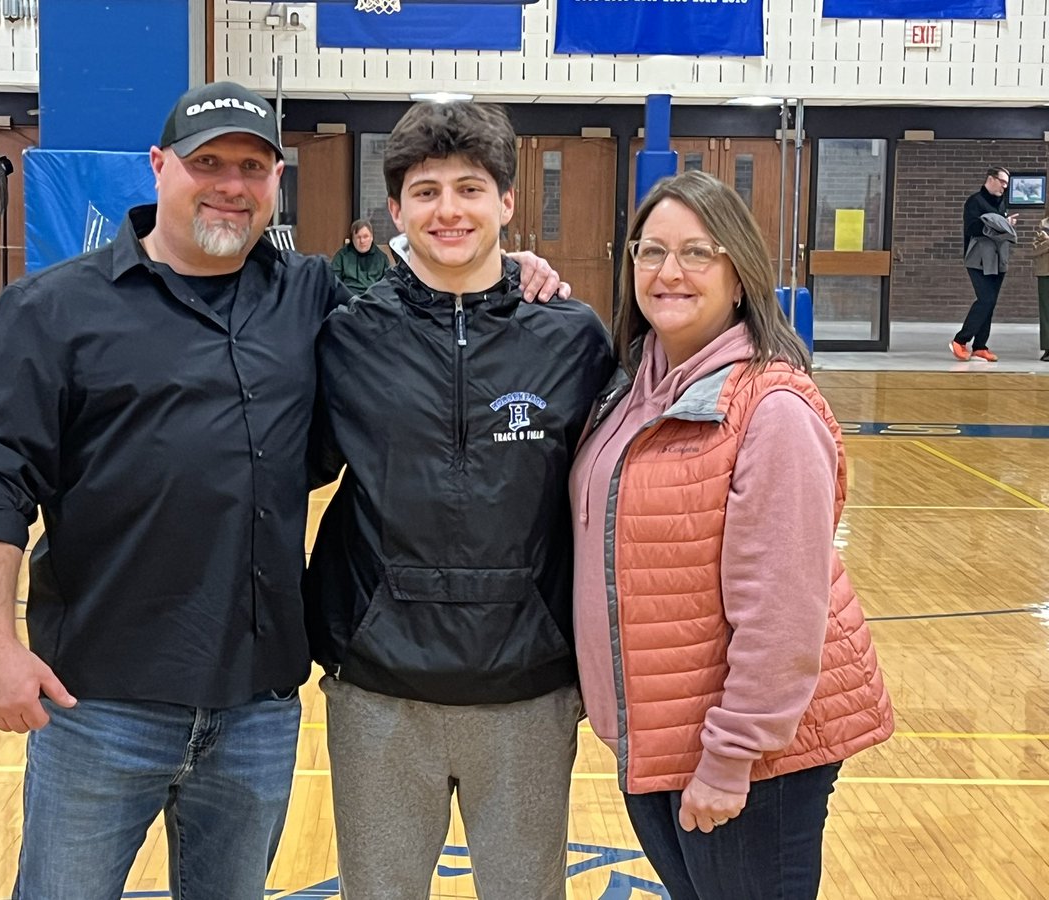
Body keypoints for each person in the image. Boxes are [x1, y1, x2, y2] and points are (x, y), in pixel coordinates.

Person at [0, 81, 567, 900]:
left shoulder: (311, 296)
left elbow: (439, 298)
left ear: (277, 180)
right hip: (99, 702)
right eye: (207, 163)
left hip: (256, 710)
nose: (230, 186)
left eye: (252, 167)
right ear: (159, 166)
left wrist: (510, 272)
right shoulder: (51, 309)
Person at [304, 100, 614, 900]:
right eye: (427, 191)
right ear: (396, 211)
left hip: (527, 685)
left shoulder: (573, 338)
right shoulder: (348, 337)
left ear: (507, 202)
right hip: (378, 688)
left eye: (470, 189)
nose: (449, 210)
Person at [570, 170, 894, 900]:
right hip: (663, 734)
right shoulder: (631, 388)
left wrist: (732, 756)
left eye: (697, 252)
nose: (669, 272)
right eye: (651, 251)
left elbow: (782, 611)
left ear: (740, 273)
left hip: (747, 759)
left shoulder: (773, 409)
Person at [951, 166, 1018, 361]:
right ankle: (960, 340)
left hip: (998, 260)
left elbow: (998, 226)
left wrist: (1005, 224)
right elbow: (972, 228)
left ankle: (980, 346)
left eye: (1007, 183)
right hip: (978, 260)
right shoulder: (975, 201)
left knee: (991, 303)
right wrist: (999, 224)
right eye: (1002, 182)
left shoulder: (1001, 203)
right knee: (985, 299)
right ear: (990, 179)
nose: (1004, 187)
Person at [331, 218, 390, 294]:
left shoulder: (382, 258)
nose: (362, 241)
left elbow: (388, 285)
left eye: (365, 236)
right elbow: (333, 282)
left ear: (372, 237)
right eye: (358, 237)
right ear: (352, 239)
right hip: (349, 297)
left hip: (373, 297)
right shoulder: (341, 256)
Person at [1031, 215, 1049, 361]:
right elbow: (1035, 249)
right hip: (1045, 273)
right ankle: (1048, 347)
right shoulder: (1044, 226)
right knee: (1046, 311)